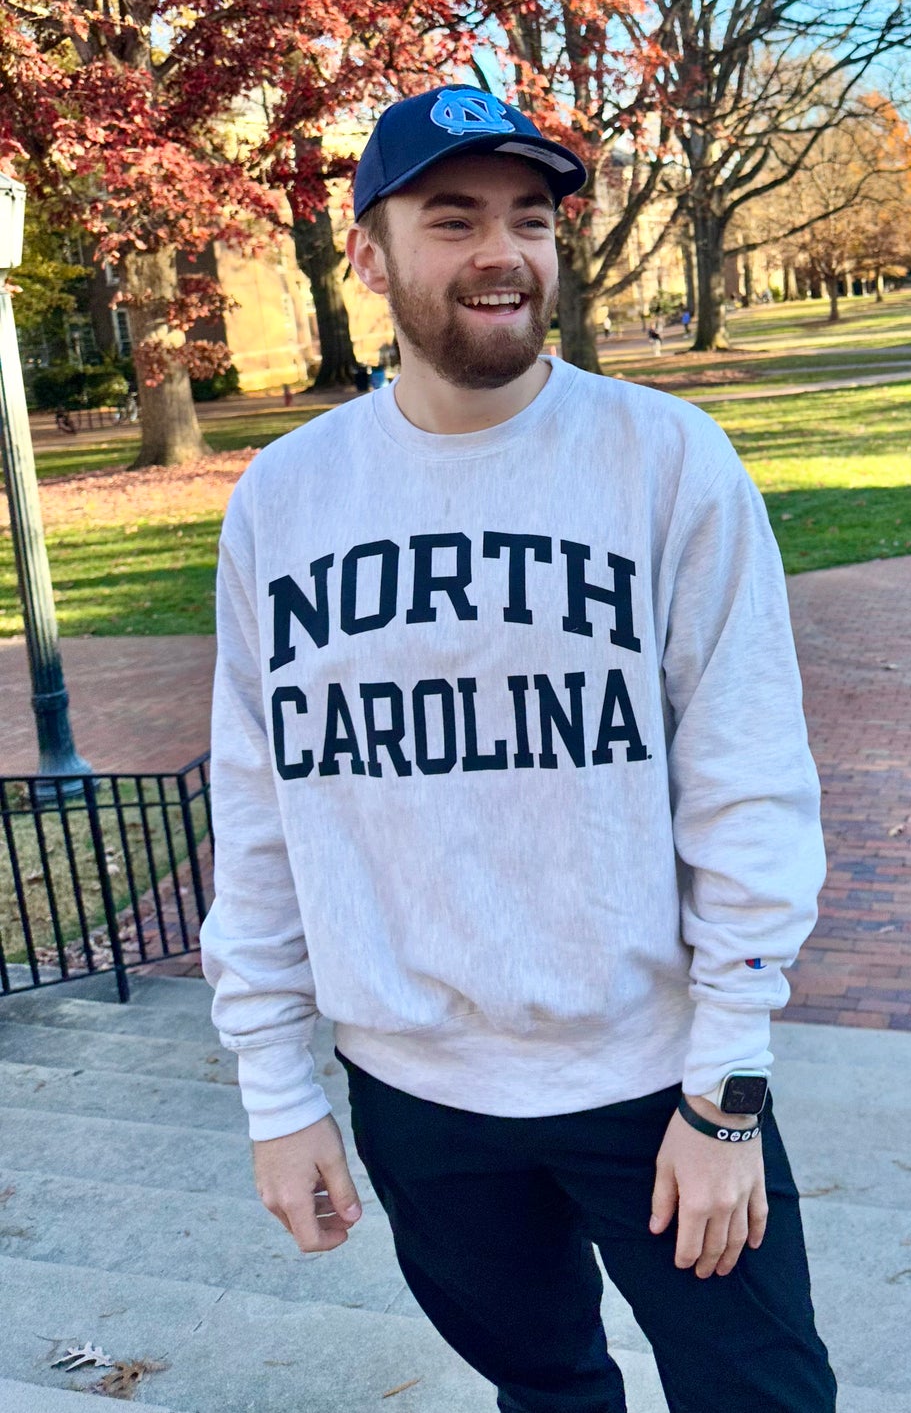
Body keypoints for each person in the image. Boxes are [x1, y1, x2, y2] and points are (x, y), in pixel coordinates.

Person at [201, 83, 835, 1413]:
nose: (501, 250)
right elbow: (261, 814)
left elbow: (750, 792)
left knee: (764, 1399)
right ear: (367, 254)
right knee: (545, 1390)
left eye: (529, 218)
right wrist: (277, 1091)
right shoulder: (286, 500)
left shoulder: (666, 461)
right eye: (452, 219)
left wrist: (726, 1093)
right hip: (417, 1096)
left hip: (653, 1074)